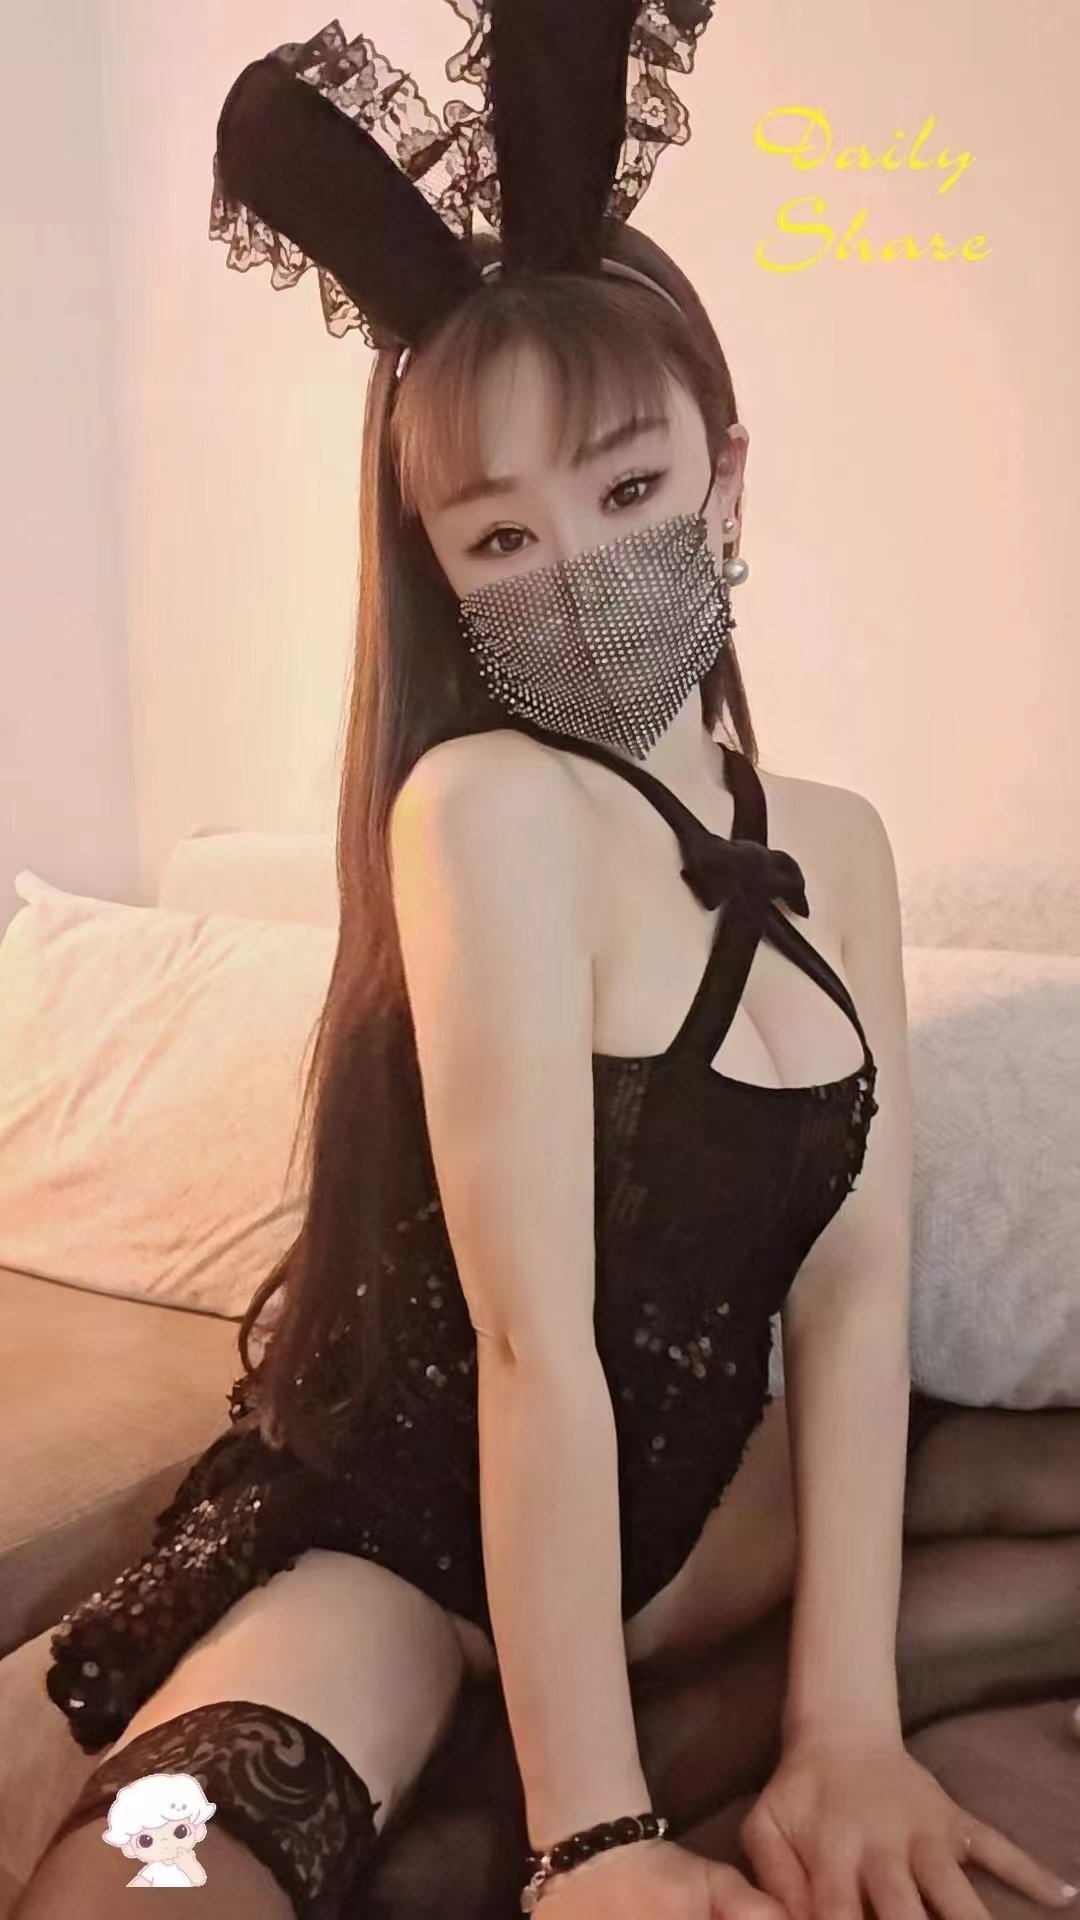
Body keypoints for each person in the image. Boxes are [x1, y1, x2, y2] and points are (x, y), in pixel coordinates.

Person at [14, 10, 1080, 1920]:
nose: (577, 569)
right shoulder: (481, 806)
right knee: (149, 1876)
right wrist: (592, 1839)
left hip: (706, 1508)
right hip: (418, 1531)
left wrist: (851, 1736)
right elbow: (531, 1341)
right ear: (437, 569)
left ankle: (753, 1716)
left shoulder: (835, 842)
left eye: (629, 493)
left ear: (727, 479)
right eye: (500, 534)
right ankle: (584, 1761)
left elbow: (853, 1304)